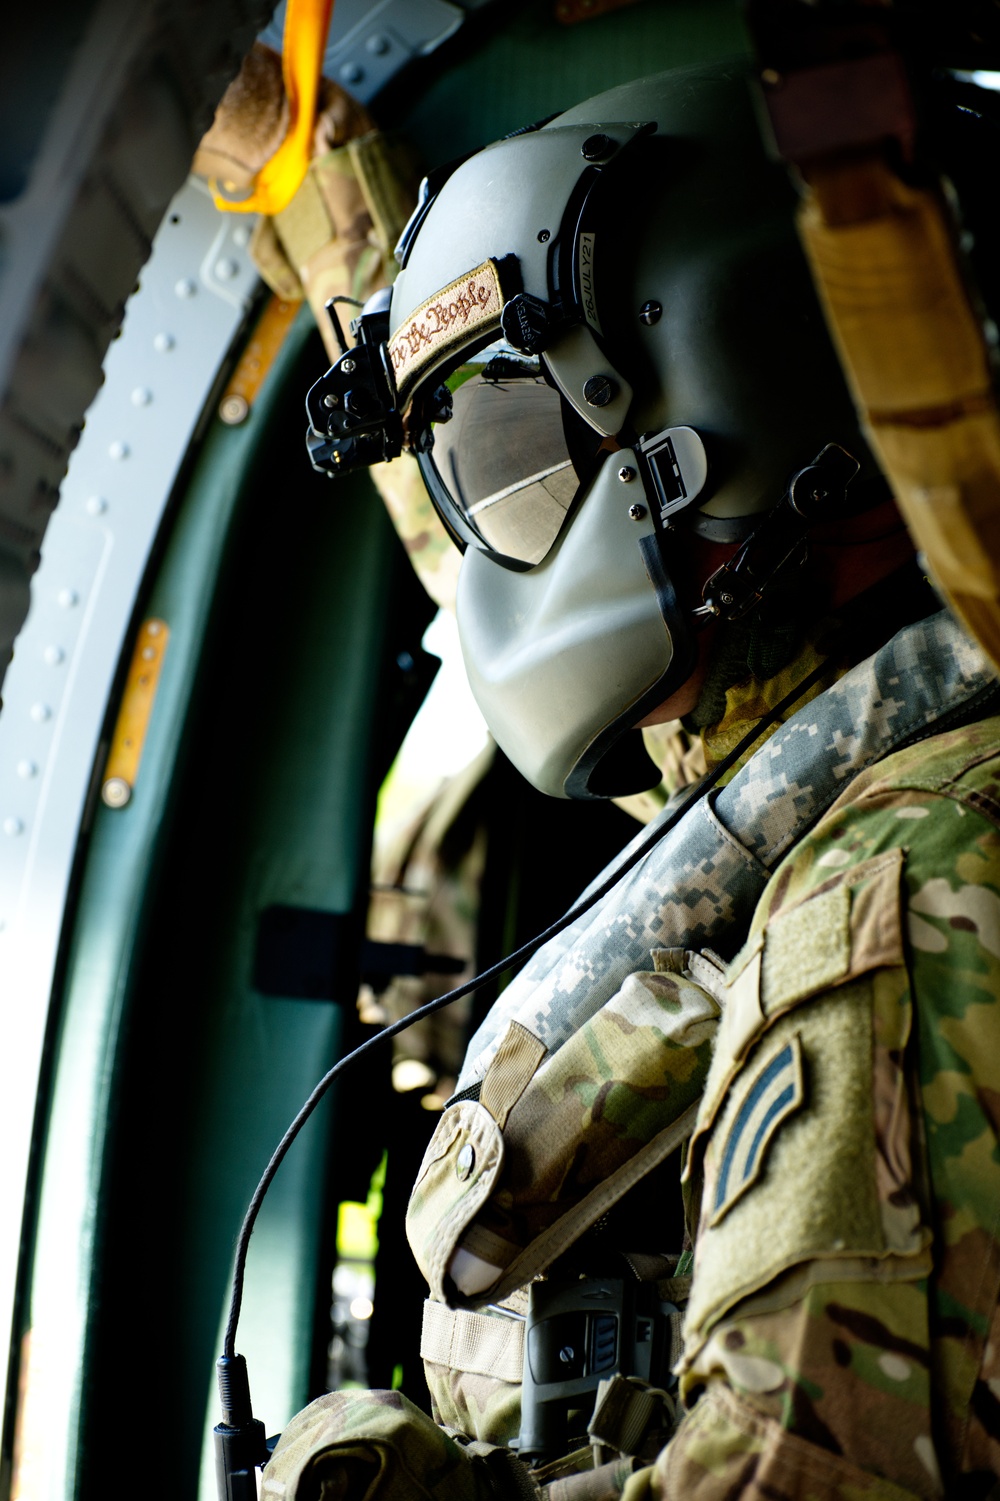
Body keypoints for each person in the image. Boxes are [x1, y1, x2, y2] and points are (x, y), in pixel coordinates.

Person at [269, 61, 1000, 1500]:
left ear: (741, 377)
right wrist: (296, 171)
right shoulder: (810, 788)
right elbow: (472, 544)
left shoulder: (889, 891)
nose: (491, 558)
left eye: (520, 464)